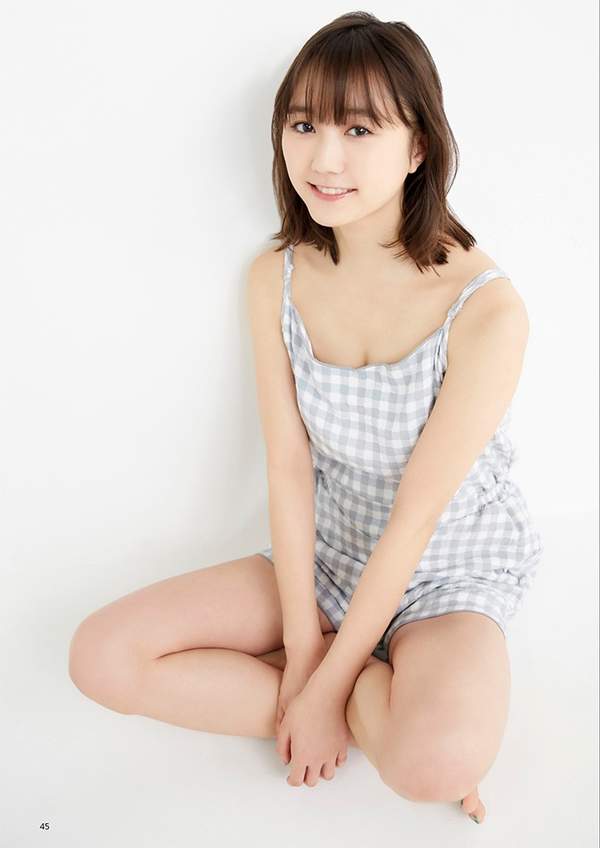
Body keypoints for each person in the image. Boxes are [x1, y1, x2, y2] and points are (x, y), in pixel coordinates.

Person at [68, 12, 543, 827]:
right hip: (327, 553)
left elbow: (417, 515)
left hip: (445, 567)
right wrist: (302, 649)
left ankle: (376, 702)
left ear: (419, 146)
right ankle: (373, 704)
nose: (323, 159)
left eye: (359, 129)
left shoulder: (487, 311)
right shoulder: (276, 278)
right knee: (100, 657)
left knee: (434, 767)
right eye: (303, 125)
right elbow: (289, 469)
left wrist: (325, 681)